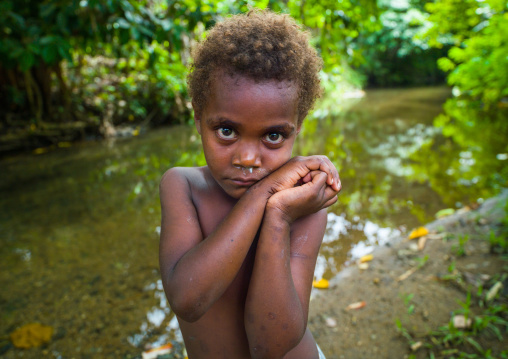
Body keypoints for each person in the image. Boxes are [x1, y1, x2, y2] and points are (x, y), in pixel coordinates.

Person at [159, 9, 341, 359]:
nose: (247, 159)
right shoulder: (183, 186)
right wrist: (262, 194)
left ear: (297, 126)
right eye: (226, 131)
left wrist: (279, 217)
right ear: (198, 117)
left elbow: (270, 345)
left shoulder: (303, 204)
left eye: (273, 135)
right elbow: (187, 299)